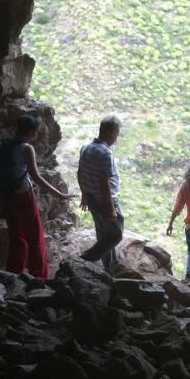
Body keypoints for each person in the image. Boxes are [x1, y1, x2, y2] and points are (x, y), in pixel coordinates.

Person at [0, 114, 71, 280]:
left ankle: (13, 271)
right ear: (32, 132)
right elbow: (36, 177)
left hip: (8, 195)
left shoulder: (6, 145)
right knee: (34, 235)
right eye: (36, 131)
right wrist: (59, 194)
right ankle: (38, 275)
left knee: (16, 234)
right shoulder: (26, 148)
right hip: (23, 195)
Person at [77, 116, 124, 272]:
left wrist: (84, 194)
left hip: (92, 199)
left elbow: (79, 173)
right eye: (117, 133)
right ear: (111, 133)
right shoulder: (105, 153)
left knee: (102, 233)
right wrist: (110, 209)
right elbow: (104, 184)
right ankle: (86, 258)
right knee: (116, 234)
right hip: (105, 201)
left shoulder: (86, 148)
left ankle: (110, 266)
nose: (117, 137)